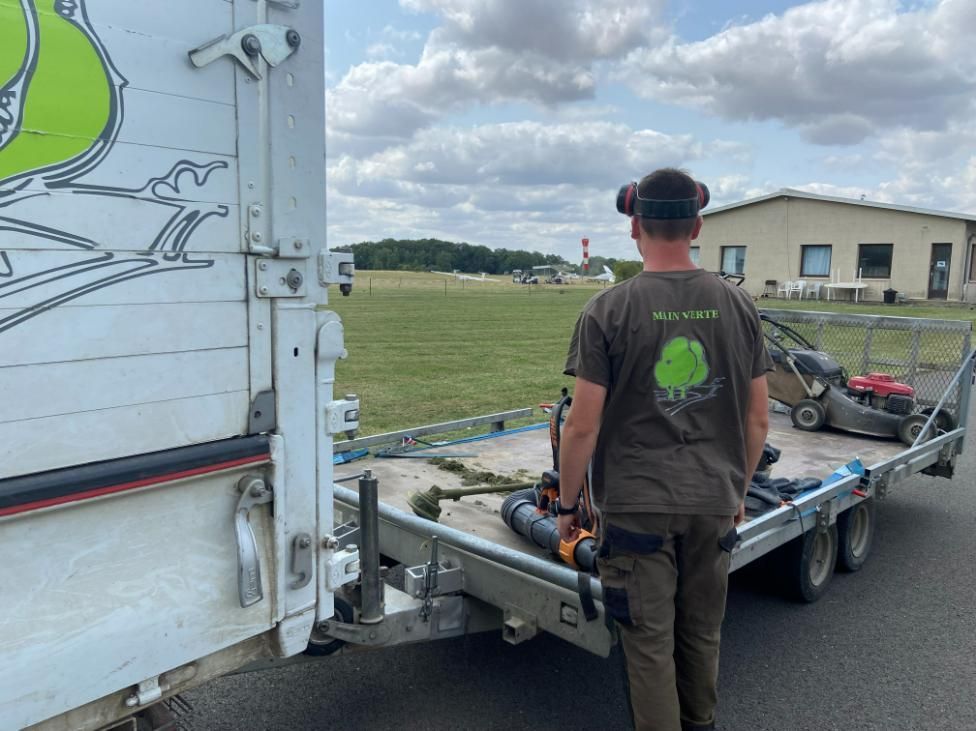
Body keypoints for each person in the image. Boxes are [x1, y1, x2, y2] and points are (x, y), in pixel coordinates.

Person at [557, 168, 772, 731]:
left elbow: (581, 426)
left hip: (636, 505)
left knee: (648, 643)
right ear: (698, 224)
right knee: (701, 631)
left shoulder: (607, 309)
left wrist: (566, 505)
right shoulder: (738, 304)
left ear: (635, 228)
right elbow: (758, 418)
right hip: (714, 501)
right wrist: (738, 489)